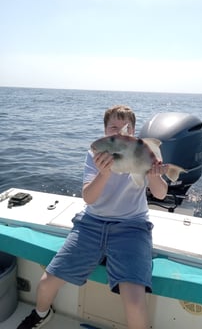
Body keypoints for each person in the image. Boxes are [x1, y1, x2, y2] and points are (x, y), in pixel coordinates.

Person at [17, 105, 169, 329]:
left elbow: (161, 193)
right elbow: (88, 197)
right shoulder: (95, 155)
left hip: (132, 227)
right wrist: (104, 173)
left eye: (125, 127)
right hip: (92, 224)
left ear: (134, 131)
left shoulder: (144, 150)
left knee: (135, 303)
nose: (118, 132)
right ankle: (41, 313)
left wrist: (154, 175)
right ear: (105, 131)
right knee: (46, 283)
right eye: (112, 128)